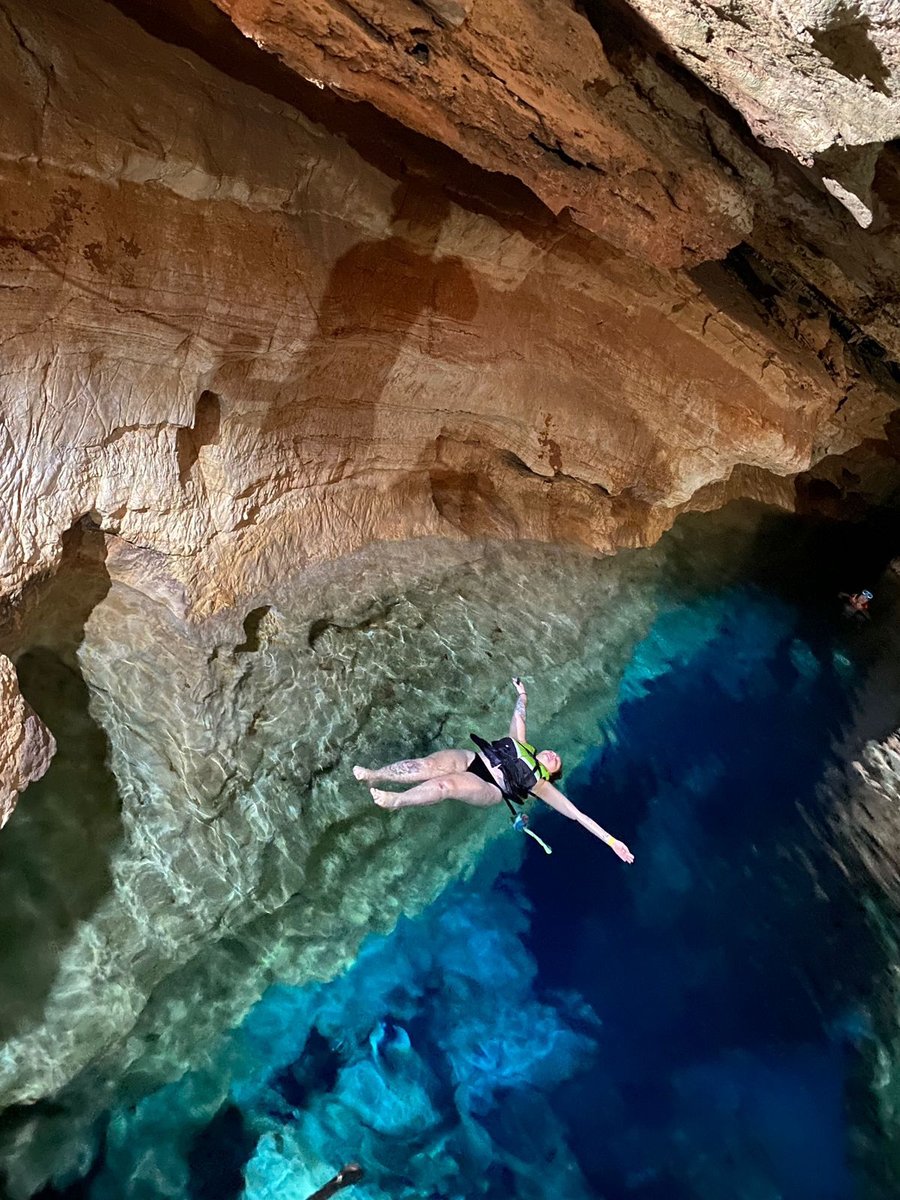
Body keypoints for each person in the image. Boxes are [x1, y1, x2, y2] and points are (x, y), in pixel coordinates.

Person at [353, 678, 634, 863]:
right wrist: (522, 693)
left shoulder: (541, 785)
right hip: (474, 759)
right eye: (553, 753)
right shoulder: (520, 742)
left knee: (445, 786)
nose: (554, 755)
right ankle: (375, 775)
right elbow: (519, 714)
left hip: (492, 788)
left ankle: (397, 800)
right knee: (427, 765)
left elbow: (578, 815)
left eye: (556, 761)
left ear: (550, 774)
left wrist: (611, 841)